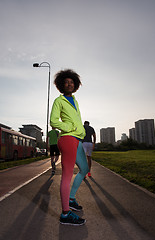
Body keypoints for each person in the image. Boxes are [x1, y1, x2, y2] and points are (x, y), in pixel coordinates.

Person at [50, 69, 89, 226]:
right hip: (67, 139)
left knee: (84, 169)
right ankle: (65, 214)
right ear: (61, 85)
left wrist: (81, 130)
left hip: (77, 140)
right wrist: (70, 126)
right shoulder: (59, 101)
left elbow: (77, 120)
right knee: (66, 175)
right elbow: (53, 121)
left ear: (76, 84)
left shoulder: (75, 100)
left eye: (71, 82)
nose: (69, 84)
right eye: (66, 82)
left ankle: (71, 199)